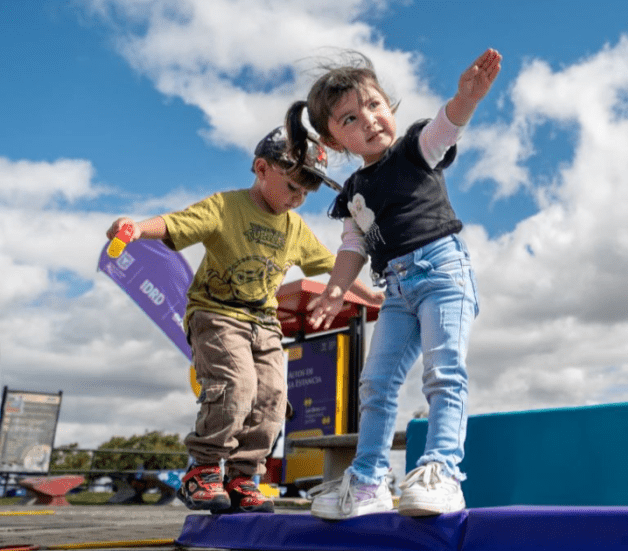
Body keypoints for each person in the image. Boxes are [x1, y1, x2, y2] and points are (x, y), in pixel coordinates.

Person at [105, 127, 382, 514]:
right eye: (292, 188)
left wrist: (369, 293)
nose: (297, 199)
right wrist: (135, 229)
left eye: (305, 194)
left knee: (272, 396)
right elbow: (175, 223)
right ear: (261, 168)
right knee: (236, 385)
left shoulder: (295, 228)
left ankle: (243, 476)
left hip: (263, 322)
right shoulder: (225, 207)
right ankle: (202, 470)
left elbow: (334, 266)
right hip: (216, 314)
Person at [284, 47, 500, 519]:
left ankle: (442, 471)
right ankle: (367, 481)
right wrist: (336, 289)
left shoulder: (415, 149)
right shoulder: (354, 193)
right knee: (375, 384)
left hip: (444, 273)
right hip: (396, 291)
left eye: (374, 106)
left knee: (443, 373)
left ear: (390, 106)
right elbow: (351, 248)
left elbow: (448, 125)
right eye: (349, 119)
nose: (369, 121)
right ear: (335, 141)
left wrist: (467, 97)